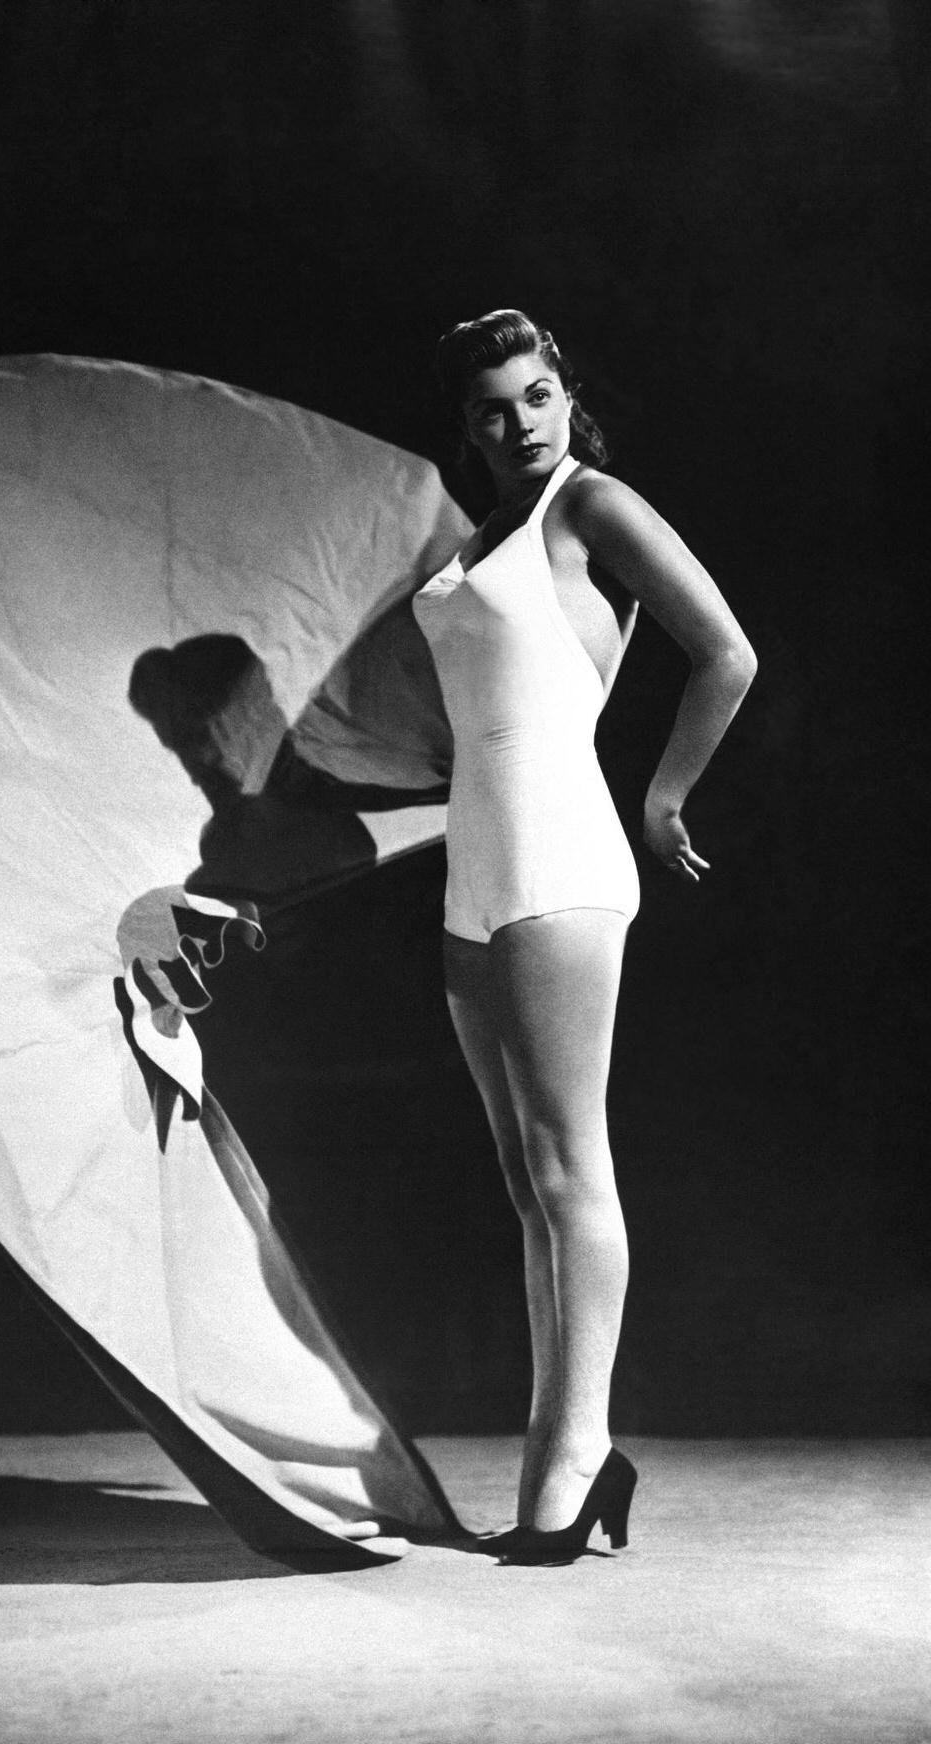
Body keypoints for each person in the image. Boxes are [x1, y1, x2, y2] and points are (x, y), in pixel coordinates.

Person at [414, 309, 756, 1564]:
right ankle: (561, 1450)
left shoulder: (585, 504)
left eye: (535, 394)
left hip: (560, 855)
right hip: (472, 874)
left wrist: (661, 796)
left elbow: (723, 652)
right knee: (524, 1189)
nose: (516, 423)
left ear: (566, 397)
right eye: (490, 407)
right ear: (464, 426)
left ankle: (568, 1461)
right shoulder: (475, 541)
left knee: (571, 1170)